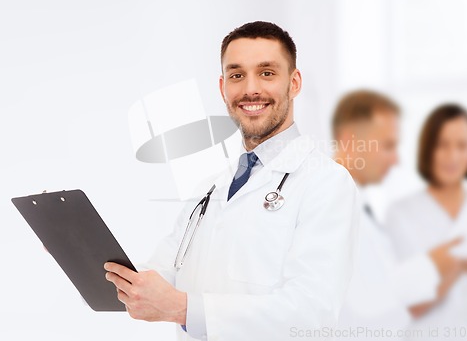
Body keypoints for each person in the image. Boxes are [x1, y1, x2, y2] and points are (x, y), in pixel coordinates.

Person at [104, 21, 359, 341]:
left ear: (294, 83)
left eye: (267, 72)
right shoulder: (210, 189)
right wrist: (84, 251)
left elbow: (311, 312)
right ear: (223, 87)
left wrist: (184, 309)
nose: (250, 89)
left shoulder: (326, 183)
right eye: (237, 75)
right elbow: (163, 273)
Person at [332, 91, 462, 339]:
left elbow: (392, 304)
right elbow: (365, 309)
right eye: (388, 146)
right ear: (350, 142)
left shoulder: (358, 203)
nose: (396, 159)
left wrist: (447, 271)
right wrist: (434, 265)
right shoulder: (329, 206)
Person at [385, 104, 467, 339]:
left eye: (462, 146)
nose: (453, 156)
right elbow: (404, 304)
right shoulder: (400, 214)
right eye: (442, 145)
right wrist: (458, 264)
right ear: (428, 149)